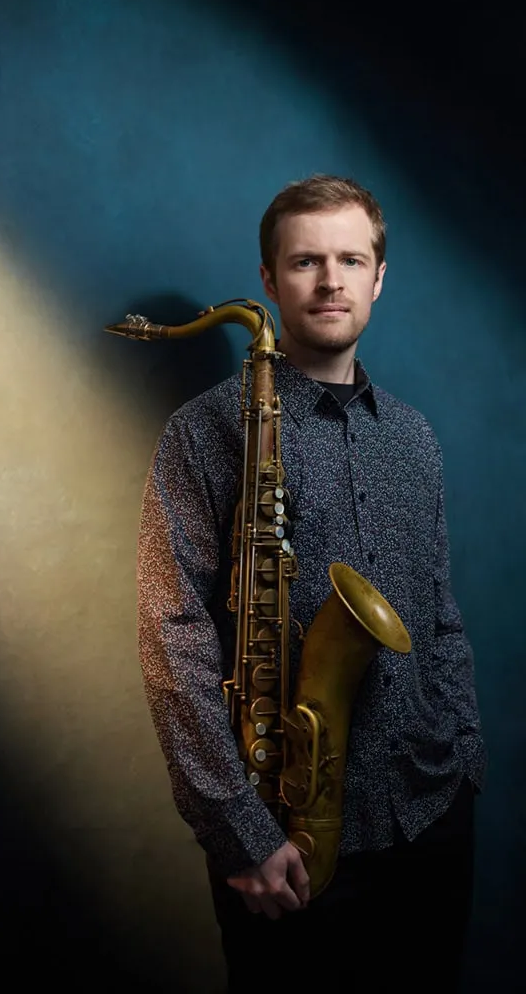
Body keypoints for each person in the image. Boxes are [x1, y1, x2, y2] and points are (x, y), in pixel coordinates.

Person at [135, 175, 487, 992]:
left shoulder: (413, 435)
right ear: (267, 280)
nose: (330, 281)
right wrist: (238, 831)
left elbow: (440, 616)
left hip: (431, 817)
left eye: (349, 259)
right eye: (304, 261)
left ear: (377, 277)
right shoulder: (204, 430)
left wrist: (465, 759)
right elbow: (172, 633)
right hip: (282, 837)